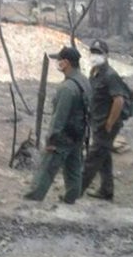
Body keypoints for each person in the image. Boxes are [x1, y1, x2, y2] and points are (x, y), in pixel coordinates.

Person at [24, 47, 91, 204]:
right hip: (79, 133)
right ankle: (71, 197)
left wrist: (51, 140)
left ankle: (33, 199)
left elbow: (59, 117)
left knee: (47, 168)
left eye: (59, 60)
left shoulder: (67, 88)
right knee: (74, 168)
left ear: (66, 63)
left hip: (63, 136)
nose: (58, 63)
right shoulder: (85, 82)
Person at [81, 39, 127, 201]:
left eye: (98, 53)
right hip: (97, 122)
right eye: (93, 52)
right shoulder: (95, 73)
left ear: (106, 55)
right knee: (104, 157)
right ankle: (107, 190)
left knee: (93, 158)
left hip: (106, 125)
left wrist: (109, 123)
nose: (95, 55)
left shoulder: (110, 75)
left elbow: (119, 100)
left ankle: (74, 191)